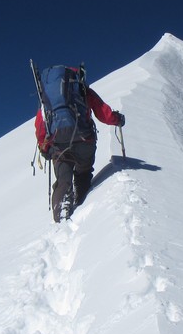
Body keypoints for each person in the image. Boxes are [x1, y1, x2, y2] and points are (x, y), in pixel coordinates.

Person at [35, 73, 124, 222]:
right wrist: (118, 119)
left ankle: (61, 217)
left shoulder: (47, 99)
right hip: (84, 141)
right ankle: (82, 199)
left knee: (63, 180)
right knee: (83, 171)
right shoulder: (82, 90)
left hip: (59, 146)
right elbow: (103, 113)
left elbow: (41, 127)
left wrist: (45, 149)